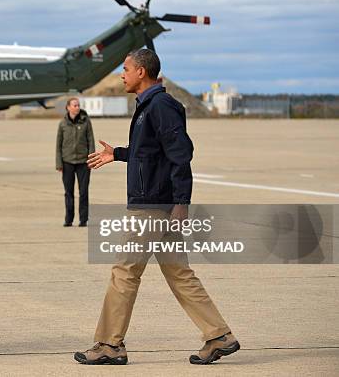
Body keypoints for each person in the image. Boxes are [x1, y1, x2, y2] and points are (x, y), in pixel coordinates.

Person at [74, 49, 239, 365]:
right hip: (158, 203)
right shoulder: (149, 107)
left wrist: (182, 203)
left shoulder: (160, 106)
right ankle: (218, 335)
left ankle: (110, 345)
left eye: (125, 69)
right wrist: (120, 154)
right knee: (179, 273)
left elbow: (181, 154)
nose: (121, 74)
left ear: (141, 72)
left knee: (125, 272)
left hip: (152, 206)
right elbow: (152, 153)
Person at [56, 97, 95, 227]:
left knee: (83, 191)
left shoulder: (86, 122)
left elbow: (91, 140)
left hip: (83, 162)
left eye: (78, 105)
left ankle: (83, 219)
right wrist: (59, 164)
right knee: (69, 192)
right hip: (67, 162)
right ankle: (69, 219)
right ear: (68, 107)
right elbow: (58, 145)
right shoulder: (62, 124)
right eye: (74, 105)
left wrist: (91, 159)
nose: (77, 107)